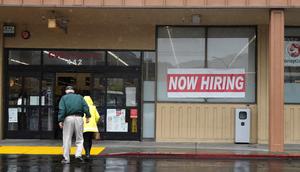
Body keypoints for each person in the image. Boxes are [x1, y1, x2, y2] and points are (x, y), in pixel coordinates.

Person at [58, 86, 91, 164]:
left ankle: (66, 158)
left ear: (66, 91)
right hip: (79, 118)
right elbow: (85, 107)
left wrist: (60, 120)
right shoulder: (79, 97)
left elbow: (62, 109)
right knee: (80, 138)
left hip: (68, 118)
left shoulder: (64, 98)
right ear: (73, 91)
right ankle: (78, 155)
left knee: (67, 138)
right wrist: (88, 115)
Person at [83, 96, 100, 161]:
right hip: (92, 127)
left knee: (85, 140)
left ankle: (87, 154)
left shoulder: (82, 107)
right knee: (90, 140)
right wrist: (94, 122)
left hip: (85, 127)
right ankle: (88, 153)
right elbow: (98, 117)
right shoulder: (93, 108)